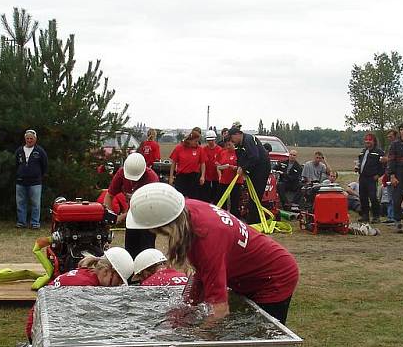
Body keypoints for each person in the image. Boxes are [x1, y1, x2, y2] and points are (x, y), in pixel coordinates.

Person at [127, 183, 299, 324]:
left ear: (165, 226)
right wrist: (186, 308)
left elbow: (220, 310)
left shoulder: (206, 242)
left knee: (260, 339)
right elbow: (200, 274)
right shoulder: (189, 210)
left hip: (274, 278)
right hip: (251, 271)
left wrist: (194, 341)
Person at [15, 246, 134, 347]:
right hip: (40, 330)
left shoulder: (87, 275)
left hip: (41, 325)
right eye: (118, 280)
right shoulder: (86, 288)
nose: (118, 285)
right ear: (107, 271)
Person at [103, 152, 159, 258]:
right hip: (131, 218)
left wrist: (124, 215)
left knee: (147, 250)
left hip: (148, 217)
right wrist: (110, 217)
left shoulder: (152, 178)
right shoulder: (121, 173)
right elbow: (109, 196)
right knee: (130, 250)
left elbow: (153, 205)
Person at [228, 126, 271, 225]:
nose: (231, 141)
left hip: (261, 168)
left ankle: (255, 220)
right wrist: (240, 166)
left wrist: (244, 169)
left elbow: (254, 157)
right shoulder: (239, 144)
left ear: (238, 134)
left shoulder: (248, 139)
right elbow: (240, 157)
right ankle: (252, 217)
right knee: (250, 194)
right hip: (253, 168)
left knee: (255, 194)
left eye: (232, 138)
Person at [15, 129, 48, 229]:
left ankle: (35, 223)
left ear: (35, 139)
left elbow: (45, 165)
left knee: (35, 204)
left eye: (31, 138)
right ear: (25, 139)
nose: (29, 140)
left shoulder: (40, 151)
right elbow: (16, 164)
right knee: (20, 203)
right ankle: (21, 222)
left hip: (35, 182)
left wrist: (38, 175)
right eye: (28, 138)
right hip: (21, 181)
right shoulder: (19, 151)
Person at [355, 133, 385, 223]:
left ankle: (376, 216)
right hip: (362, 177)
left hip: (372, 178)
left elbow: (385, 166)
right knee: (362, 197)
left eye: (370, 140)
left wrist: (378, 175)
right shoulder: (363, 152)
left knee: (373, 197)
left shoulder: (379, 152)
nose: (367, 141)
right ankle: (365, 215)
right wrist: (357, 168)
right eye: (366, 140)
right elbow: (360, 162)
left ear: (374, 141)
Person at [168, 133, 204, 200]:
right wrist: (171, 177)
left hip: (194, 176)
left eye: (198, 141)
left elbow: (202, 163)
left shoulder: (199, 149)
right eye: (195, 141)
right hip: (181, 176)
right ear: (189, 141)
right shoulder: (179, 148)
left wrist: (202, 176)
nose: (197, 143)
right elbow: (173, 164)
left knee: (194, 198)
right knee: (180, 197)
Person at [216, 139, 244, 217]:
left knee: (234, 201)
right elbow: (218, 165)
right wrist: (221, 170)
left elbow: (242, 166)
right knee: (222, 200)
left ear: (233, 144)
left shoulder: (239, 153)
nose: (228, 147)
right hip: (224, 180)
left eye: (229, 145)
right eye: (226, 145)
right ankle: (222, 216)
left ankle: (235, 217)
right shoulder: (223, 153)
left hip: (236, 181)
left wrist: (233, 167)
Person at [201, 130, 221, 203]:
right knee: (206, 195)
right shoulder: (203, 149)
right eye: (208, 140)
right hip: (206, 176)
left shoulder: (219, 150)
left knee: (216, 194)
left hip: (216, 176)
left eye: (212, 140)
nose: (210, 142)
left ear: (215, 139)